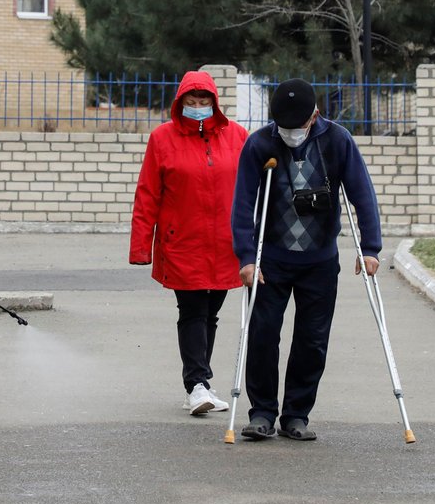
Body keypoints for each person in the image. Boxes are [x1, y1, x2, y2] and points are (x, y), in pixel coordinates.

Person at [231, 78, 381, 441]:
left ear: (314, 116)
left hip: (320, 260)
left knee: (312, 340)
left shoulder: (337, 140)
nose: (291, 132)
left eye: (297, 126)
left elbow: (362, 194)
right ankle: (262, 412)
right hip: (271, 260)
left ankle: (296, 414)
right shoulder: (260, 144)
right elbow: (242, 205)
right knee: (264, 335)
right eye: (285, 127)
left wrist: (371, 247)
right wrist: (247, 257)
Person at [129, 70, 248, 415]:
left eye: (203, 101)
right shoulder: (162, 139)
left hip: (226, 243)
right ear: (180, 104)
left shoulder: (237, 136)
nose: (198, 108)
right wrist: (141, 247)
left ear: (215, 103)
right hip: (182, 242)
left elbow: (253, 187)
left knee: (211, 313)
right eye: (191, 103)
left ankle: (201, 385)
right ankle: (196, 384)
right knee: (193, 310)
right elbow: (148, 193)